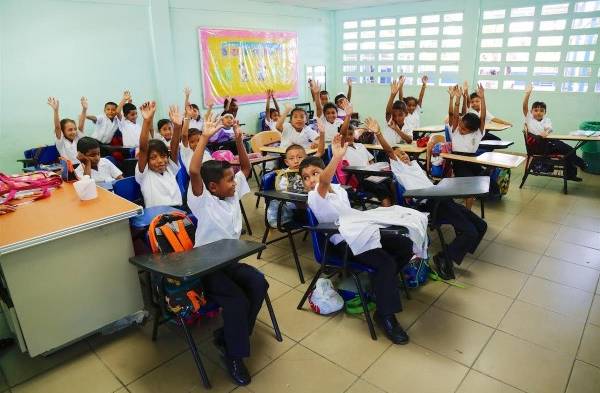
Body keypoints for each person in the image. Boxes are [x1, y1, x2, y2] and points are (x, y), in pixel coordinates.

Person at [299, 133, 415, 345]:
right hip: (344, 242)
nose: (310, 180)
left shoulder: (340, 192)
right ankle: (385, 315)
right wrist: (336, 157)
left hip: (361, 233)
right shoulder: (315, 196)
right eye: (305, 178)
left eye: (314, 173)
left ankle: (381, 285)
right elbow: (324, 181)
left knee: (405, 244)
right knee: (385, 262)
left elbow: (345, 207)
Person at [187, 114, 267, 386]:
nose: (235, 183)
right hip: (207, 266)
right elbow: (194, 171)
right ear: (213, 187)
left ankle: (232, 335)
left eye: (233, 180)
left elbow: (245, 168)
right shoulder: (204, 201)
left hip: (231, 260)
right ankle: (234, 354)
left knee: (259, 283)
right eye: (229, 180)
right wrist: (206, 138)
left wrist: (238, 140)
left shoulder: (231, 195)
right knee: (236, 301)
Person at [373, 117, 487, 280]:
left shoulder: (413, 165)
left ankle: (456, 250)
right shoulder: (398, 168)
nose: (403, 156)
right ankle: (444, 256)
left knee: (481, 226)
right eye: (399, 155)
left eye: (404, 153)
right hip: (428, 204)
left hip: (439, 198)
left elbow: (429, 182)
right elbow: (389, 151)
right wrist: (378, 133)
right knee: (470, 231)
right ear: (393, 160)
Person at [522, 83, 586, 181]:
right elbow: (524, 107)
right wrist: (527, 94)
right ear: (531, 112)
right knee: (568, 150)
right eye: (536, 110)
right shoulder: (530, 119)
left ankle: (571, 174)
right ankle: (581, 164)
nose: (538, 112)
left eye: (541, 110)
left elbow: (548, 128)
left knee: (569, 151)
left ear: (545, 112)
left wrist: (546, 132)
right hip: (538, 147)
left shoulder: (547, 120)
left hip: (548, 143)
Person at [338, 103, 394, 207]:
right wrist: (348, 116)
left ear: (354, 135)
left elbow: (371, 161)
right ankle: (389, 212)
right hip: (358, 178)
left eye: (350, 134)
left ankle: (393, 208)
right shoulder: (341, 148)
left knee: (390, 182)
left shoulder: (360, 146)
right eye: (345, 134)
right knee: (381, 188)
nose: (347, 137)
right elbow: (342, 133)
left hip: (371, 174)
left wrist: (376, 171)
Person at [134, 102, 182, 208]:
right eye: (153, 157)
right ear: (146, 160)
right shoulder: (144, 174)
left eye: (163, 156)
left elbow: (174, 149)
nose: (160, 161)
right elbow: (143, 148)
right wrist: (147, 121)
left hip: (178, 212)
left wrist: (178, 127)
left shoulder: (170, 169)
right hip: (157, 216)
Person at [448, 84, 487, 210]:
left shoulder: (478, 133)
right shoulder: (455, 130)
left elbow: (483, 118)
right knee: (470, 184)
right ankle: (468, 211)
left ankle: (473, 195)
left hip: (472, 161)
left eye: (464, 130)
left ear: (473, 130)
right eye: (460, 126)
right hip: (459, 162)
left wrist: (483, 98)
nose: (461, 129)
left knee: (486, 176)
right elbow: (454, 116)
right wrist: (457, 100)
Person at [48, 96, 84, 164]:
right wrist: (56, 111)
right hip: (69, 168)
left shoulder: (77, 139)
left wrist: (84, 109)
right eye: (70, 130)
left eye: (75, 129)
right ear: (63, 131)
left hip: (81, 166)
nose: (73, 132)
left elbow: (81, 126)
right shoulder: (61, 142)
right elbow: (57, 127)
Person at [180, 105, 213, 175]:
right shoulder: (187, 150)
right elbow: (184, 135)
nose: (197, 144)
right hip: (198, 177)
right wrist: (188, 117)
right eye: (192, 142)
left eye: (198, 140)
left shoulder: (205, 151)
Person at [384, 77, 413, 144]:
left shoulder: (408, 124)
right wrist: (393, 95)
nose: (397, 118)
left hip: (400, 151)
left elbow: (409, 140)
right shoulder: (391, 121)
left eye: (400, 115)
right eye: (394, 115)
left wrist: (396, 129)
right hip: (386, 152)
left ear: (406, 114)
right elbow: (388, 112)